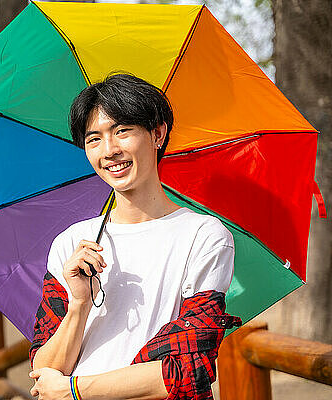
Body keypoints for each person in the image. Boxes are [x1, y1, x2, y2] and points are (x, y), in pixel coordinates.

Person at [28, 73, 241, 400]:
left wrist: (74, 390)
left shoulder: (203, 236)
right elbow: (43, 373)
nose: (109, 150)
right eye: (94, 138)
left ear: (157, 134)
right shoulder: (72, 242)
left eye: (122, 131)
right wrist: (80, 304)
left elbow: (185, 373)